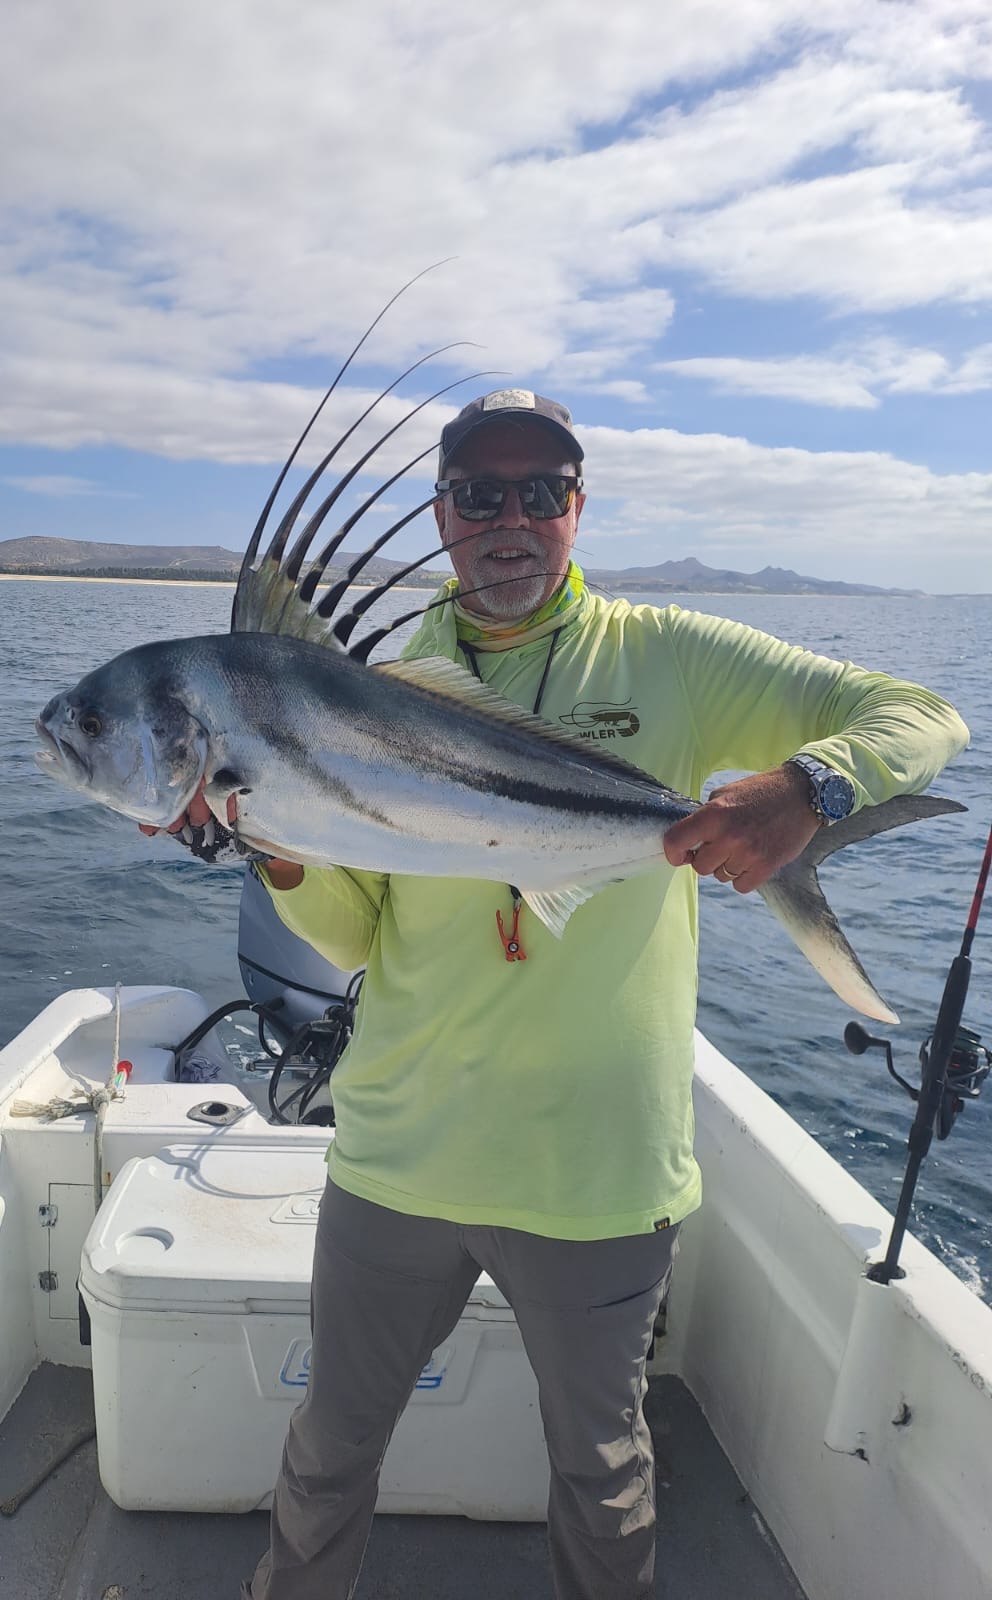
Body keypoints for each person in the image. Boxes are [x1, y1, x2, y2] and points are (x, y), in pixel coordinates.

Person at [148, 389, 969, 1599]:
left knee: (600, 1467)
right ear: (442, 515)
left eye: (542, 490)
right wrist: (276, 845)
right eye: (481, 494)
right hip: (399, 1158)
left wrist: (811, 787)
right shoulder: (375, 684)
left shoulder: (672, 657)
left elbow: (925, 714)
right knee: (328, 1451)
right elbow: (355, 930)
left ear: (580, 506)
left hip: (600, 1168)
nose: (511, 517)